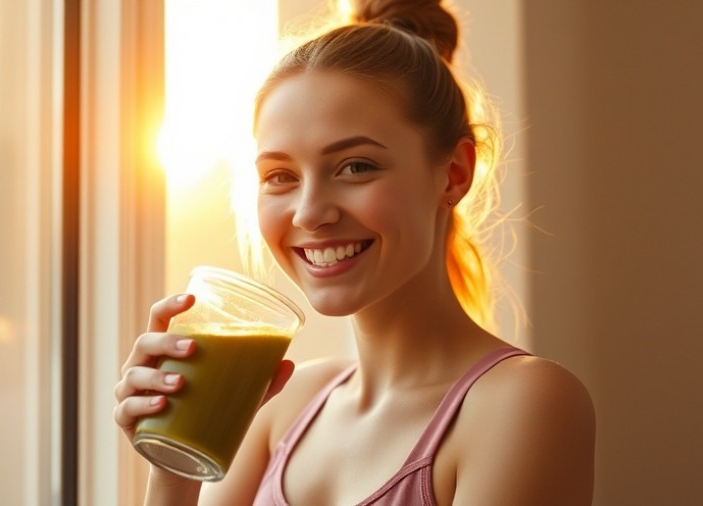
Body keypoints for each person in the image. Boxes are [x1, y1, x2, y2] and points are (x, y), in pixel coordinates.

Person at [113, 0, 596, 504]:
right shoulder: (281, 407)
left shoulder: (523, 402)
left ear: (453, 173)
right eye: (281, 176)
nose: (309, 212)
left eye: (356, 166)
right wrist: (171, 472)